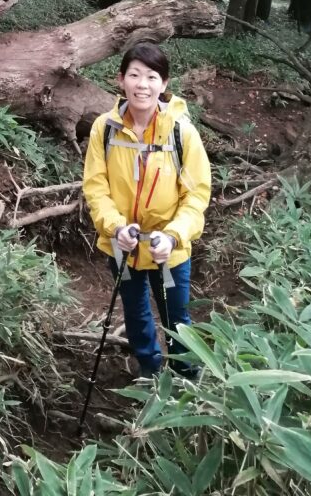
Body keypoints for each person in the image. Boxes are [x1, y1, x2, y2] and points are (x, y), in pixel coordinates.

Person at [82, 41, 211, 379]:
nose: (143, 84)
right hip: (122, 244)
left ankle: (186, 380)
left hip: (169, 248)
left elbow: (196, 196)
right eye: (135, 75)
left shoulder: (182, 133)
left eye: (152, 77)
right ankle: (149, 373)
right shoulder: (104, 129)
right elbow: (96, 187)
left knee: (177, 318)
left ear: (164, 84)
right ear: (121, 79)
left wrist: (173, 235)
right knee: (136, 313)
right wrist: (115, 227)